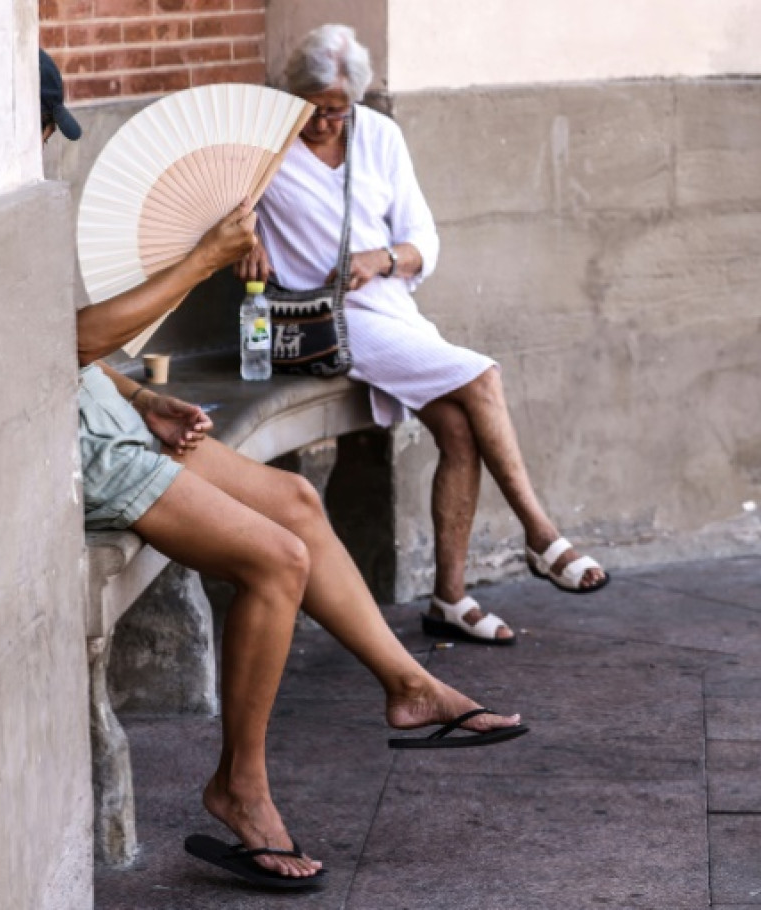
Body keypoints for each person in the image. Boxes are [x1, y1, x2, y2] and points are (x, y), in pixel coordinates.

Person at [40, 50, 525, 890]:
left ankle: (409, 686)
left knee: (296, 501)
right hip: (79, 446)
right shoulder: (9, 202)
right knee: (278, 560)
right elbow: (67, 340)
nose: (53, 139)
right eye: (49, 123)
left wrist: (142, 397)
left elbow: (69, 349)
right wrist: (198, 259)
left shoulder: (26, 198)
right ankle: (239, 786)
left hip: (104, 410)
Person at [238, 25, 610, 647]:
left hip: (388, 308)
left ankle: (449, 599)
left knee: (459, 428)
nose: (325, 122)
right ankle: (541, 534)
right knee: (484, 375)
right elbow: (226, 221)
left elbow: (423, 242)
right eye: (312, 107)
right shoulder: (260, 150)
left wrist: (379, 259)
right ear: (289, 94)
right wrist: (244, 243)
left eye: (337, 109)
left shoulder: (379, 137)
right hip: (320, 322)